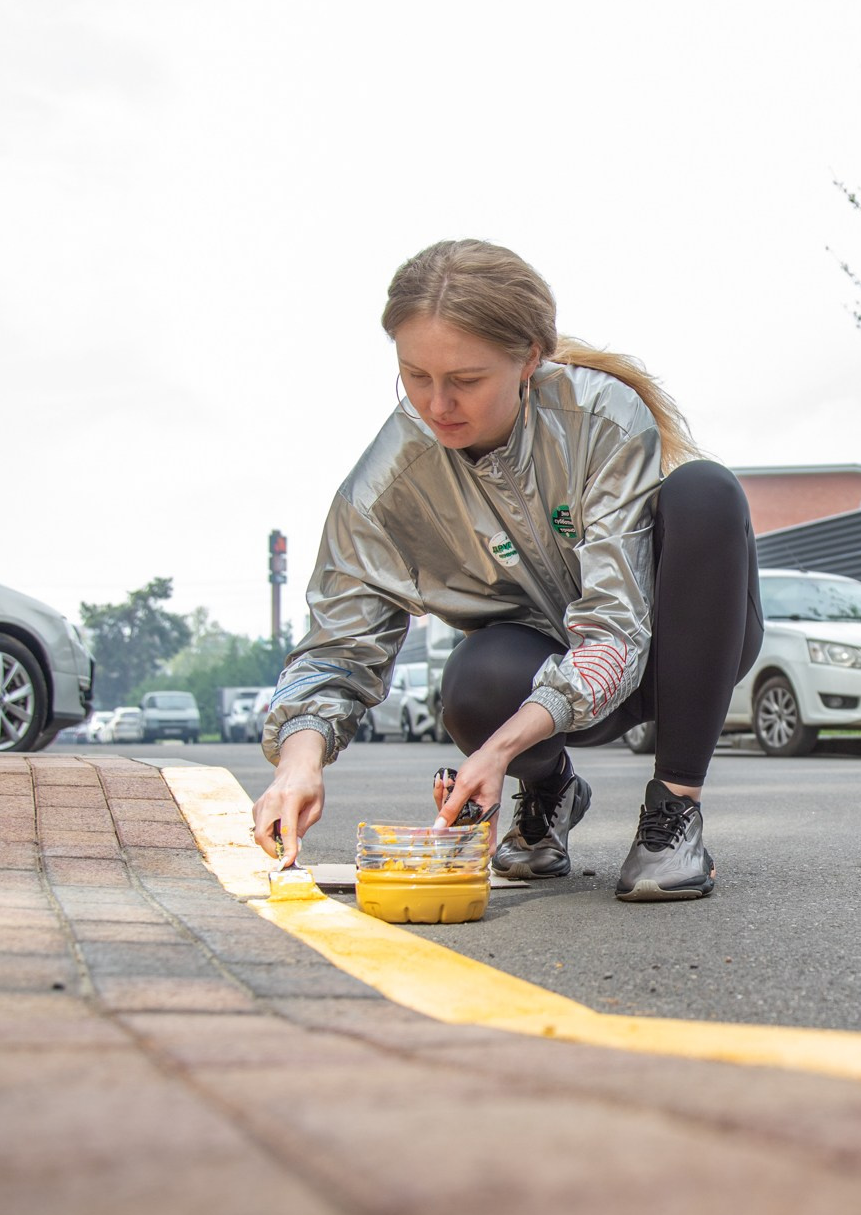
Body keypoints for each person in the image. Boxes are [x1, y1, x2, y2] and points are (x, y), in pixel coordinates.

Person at [250, 239, 762, 901]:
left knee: (706, 492)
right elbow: (335, 649)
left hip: (674, 653)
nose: (438, 405)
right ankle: (547, 794)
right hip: (539, 681)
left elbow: (614, 633)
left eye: (465, 380)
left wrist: (494, 752)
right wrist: (299, 761)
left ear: (529, 358)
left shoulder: (603, 417)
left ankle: (674, 811)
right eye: (415, 376)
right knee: (471, 682)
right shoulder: (384, 490)